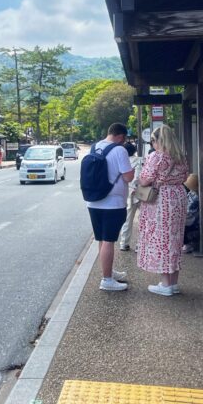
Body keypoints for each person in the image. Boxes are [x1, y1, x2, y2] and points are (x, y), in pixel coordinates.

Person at [137, 125, 189, 296]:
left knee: (162, 239)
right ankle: (173, 283)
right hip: (178, 196)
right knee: (175, 239)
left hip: (162, 199)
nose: (152, 144)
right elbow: (185, 176)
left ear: (158, 140)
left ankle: (165, 285)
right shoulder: (180, 155)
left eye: (153, 140)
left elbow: (145, 180)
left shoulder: (157, 156)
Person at [86, 123, 135, 292]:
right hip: (112, 204)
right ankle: (107, 280)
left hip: (93, 202)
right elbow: (128, 177)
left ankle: (108, 272)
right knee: (109, 240)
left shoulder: (95, 147)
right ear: (121, 136)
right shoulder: (119, 150)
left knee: (102, 239)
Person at [118, 142, 143, 252]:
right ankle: (140, 245)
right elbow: (140, 176)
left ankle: (124, 243)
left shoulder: (122, 162)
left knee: (126, 220)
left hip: (127, 193)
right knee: (143, 220)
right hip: (142, 193)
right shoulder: (140, 160)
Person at [182, 173, 200, 254]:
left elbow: (191, 212)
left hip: (191, 218)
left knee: (182, 224)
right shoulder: (191, 193)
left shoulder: (196, 198)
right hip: (187, 215)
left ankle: (188, 243)